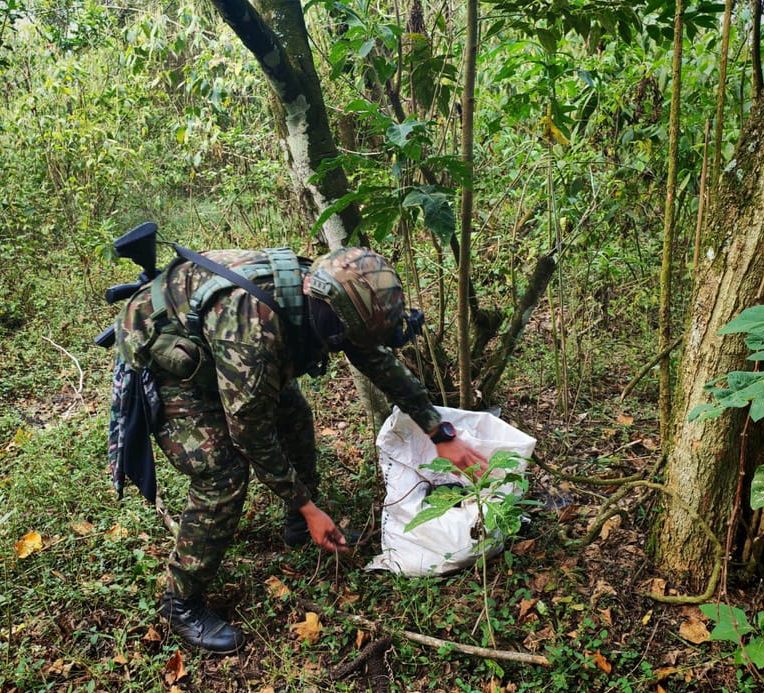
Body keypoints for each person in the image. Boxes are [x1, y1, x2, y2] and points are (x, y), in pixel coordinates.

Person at [109, 244, 487, 653]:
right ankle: (179, 601)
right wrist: (309, 505)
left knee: (294, 415)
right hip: (172, 361)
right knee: (222, 475)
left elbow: (376, 360)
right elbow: (250, 435)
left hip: (220, 340)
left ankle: (298, 527)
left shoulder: (330, 294)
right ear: (330, 320)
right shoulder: (257, 334)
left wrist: (439, 433)